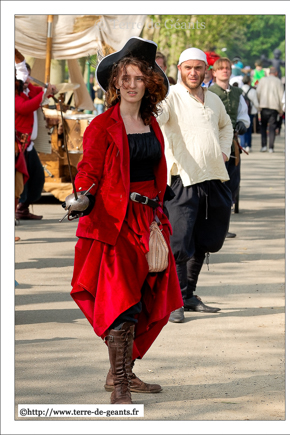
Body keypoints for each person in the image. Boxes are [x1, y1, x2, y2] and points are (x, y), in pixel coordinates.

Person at [66, 37, 183, 405]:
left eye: (138, 78)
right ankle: (119, 385)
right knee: (121, 302)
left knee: (152, 300)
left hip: (150, 222)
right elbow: (89, 168)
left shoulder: (151, 124)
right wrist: (82, 193)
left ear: (148, 83)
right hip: (115, 223)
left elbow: (157, 170)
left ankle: (125, 370)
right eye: (125, 77)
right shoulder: (102, 126)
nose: (132, 84)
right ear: (115, 83)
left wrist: (160, 213)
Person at [157, 47, 233, 323]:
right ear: (180, 69)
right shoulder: (169, 98)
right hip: (182, 179)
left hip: (214, 176)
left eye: (198, 68)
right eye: (188, 67)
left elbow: (226, 126)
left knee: (207, 238)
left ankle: (188, 295)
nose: (193, 72)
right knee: (180, 241)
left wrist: (224, 151)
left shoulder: (213, 99)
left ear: (206, 71)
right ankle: (174, 301)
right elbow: (156, 117)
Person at [209, 57, 250, 238]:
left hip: (233, 147)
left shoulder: (237, 93)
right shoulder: (208, 93)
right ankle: (212, 228)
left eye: (227, 68)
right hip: (213, 146)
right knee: (216, 187)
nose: (225, 71)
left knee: (231, 186)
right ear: (214, 72)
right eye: (221, 68)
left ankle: (223, 228)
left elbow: (244, 115)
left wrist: (242, 124)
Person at [15, 60, 57, 220]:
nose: (27, 81)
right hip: (18, 145)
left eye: (27, 77)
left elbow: (41, 93)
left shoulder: (27, 89)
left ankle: (23, 209)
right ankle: (17, 209)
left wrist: (50, 90)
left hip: (28, 144)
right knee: (20, 180)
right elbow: (25, 107)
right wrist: (44, 94)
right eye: (23, 77)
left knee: (37, 177)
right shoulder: (13, 92)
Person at [256, 66, 284, 153]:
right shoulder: (278, 82)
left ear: (269, 73)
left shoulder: (263, 80)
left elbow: (258, 93)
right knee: (272, 128)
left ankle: (264, 146)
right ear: (276, 73)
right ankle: (271, 147)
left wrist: (259, 104)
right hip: (274, 108)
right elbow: (281, 96)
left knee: (263, 126)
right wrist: (281, 109)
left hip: (264, 106)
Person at [239, 75, 260, 153]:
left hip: (241, 112)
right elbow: (255, 102)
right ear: (249, 82)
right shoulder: (252, 91)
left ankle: (242, 145)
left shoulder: (239, 90)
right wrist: (259, 109)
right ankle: (248, 145)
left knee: (241, 128)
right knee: (249, 129)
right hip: (250, 112)